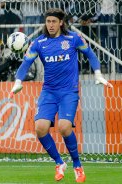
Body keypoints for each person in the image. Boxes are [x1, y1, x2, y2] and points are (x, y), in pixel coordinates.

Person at [9, 8, 112, 183]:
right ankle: (59, 163)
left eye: (54, 21)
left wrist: (98, 74)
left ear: (61, 23)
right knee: (40, 128)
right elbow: (26, 63)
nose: (50, 25)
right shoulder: (39, 43)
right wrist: (18, 82)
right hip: (48, 92)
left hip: (68, 92)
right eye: (48, 21)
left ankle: (77, 165)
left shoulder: (72, 39)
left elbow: (90, 54)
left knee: (64, 127)